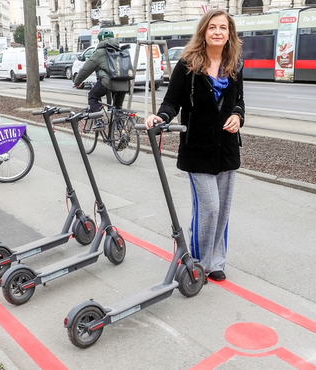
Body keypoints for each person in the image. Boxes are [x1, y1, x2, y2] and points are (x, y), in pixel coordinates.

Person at [144, 10, 244, 281]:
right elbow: (171, 102)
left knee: (222, 209)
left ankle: (217, 260)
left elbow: (239, 102)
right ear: (203, 31)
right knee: (209, 207)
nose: (218, 32)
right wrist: (160, 117)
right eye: (212, 27)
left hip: (226, 148)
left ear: (229, 34)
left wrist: (237, 116)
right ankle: (198, 263)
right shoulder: (187, 64)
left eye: (223, 28)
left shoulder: (234, 64)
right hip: (197, 147)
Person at [73, 29, 130, 130]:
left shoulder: (100, 52)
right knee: (117, 108)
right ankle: (122, 132)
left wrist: (77, 81)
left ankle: (99, 121)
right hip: (124, 83)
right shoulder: (120, 49)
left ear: (101, 40)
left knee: (92, 96)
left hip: (108, 83)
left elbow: (86, 69)